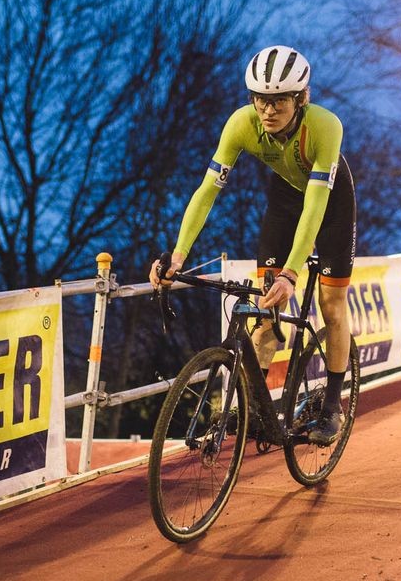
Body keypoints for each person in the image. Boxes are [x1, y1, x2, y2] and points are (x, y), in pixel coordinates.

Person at [149, 45, 357, 446]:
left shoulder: (326, 127)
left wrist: (292, 273)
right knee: (265, 312)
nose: (268, 110)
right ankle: (257, 412)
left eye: (279, 100)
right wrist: (178, 255)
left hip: (330, 204)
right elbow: (208, 190)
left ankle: (332, 407)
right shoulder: (241, 124)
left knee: (332, 306)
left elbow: (315, 207)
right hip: (283, 200)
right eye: (260, 99)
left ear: (302, 98)